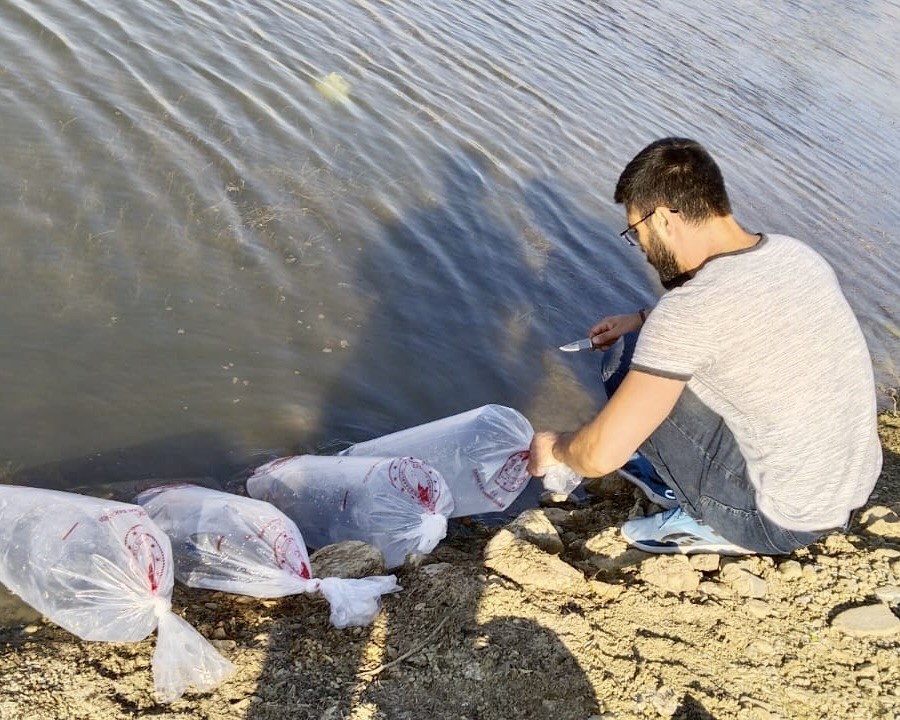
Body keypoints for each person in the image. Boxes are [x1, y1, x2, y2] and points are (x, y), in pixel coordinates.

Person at [527, 137, 882, 555]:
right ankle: (690, 473)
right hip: (849, 485)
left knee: (624, 366)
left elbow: (600, 456)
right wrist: (640, 319)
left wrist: (555, 447)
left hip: (779, 522)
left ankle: (702, 514)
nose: (640, 248)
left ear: (662, 220)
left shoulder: (691, 310)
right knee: (649, 348)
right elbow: (736, 308)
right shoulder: (794, 254)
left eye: (635, 231)